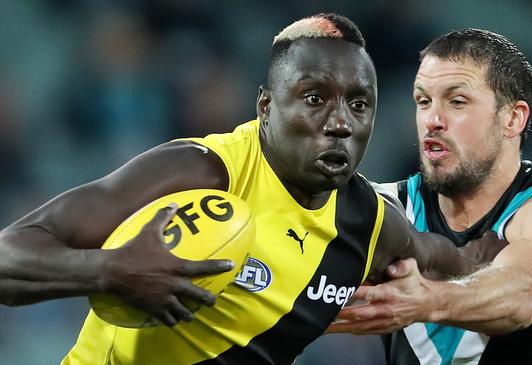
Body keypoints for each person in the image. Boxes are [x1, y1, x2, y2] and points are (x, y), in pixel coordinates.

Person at [0, 16, 504, 365]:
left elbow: (456, 258)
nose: (339, 123)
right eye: (313, 98)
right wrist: (109, 270)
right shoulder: (199, 171)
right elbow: (9, 255)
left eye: (359, 105)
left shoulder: (367, 226)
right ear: (265, 107)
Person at [328, 29, 532, 365]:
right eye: (423, 101)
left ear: (512, 118)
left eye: (457, 101)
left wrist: (425, 301)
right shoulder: (385, 209)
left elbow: (525, 293)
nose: (432, 120)